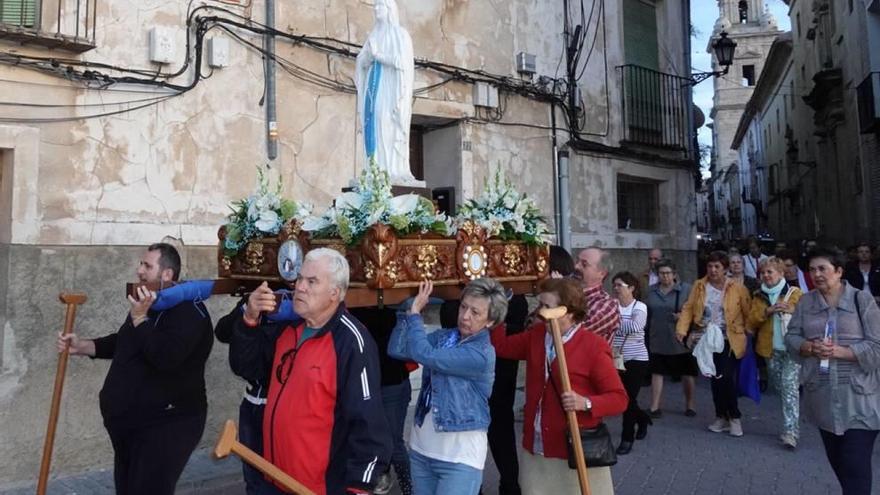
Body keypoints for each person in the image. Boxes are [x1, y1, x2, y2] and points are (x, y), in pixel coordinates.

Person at [230, 248, 392, 495]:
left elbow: (368, 425)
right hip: (272, 479)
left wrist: (358, 489)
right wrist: (250, 319)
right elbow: (246, 367)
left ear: (334, 293)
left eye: (311, 281)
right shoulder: (286, 329)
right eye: (300, 279)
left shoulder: (351, 342)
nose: (300, 287)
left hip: (319, 488)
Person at [56, 243, 213, 495]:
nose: (139, 270)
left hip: (166, 425)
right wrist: (83, 346)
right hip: (131, 426)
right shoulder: (151, 303)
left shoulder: (190, 313)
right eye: (141, 264)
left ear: (167, 275)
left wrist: (140, 319)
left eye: (147, 266)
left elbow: (166, 356)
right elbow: (125, 341)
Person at [490, 278, 627, 495]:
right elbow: (501, 347)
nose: (539, 312)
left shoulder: (593, 346)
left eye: (546, 306)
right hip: (536, 448)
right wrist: (496, 313)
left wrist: (586, 402)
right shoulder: (537, 336)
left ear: (569, 312)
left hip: (573, 450)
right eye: (540, 304)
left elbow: (619, 398)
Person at [389, 279, 505, 495]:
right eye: (463, 307)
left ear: (490, 321)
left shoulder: (481, 353)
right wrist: (404, 312)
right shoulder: (446, 336)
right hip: (421, 450)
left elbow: (426, 355)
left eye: (475, 312)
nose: (465, 316)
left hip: (459, 458)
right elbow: (398, 349)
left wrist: (415, 315)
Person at [786, 247, 880, 495]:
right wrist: (808, 347)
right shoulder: (806, 303)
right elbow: (791, 338)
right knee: (839, 464)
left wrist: (841, 352)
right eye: (812, 269)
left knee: (854, 465)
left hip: (860, 398)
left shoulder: (862, 300)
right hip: (823, 397)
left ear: (838, 272)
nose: (816, 274)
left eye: (822, 269)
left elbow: (877, 346)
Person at [676, 251, 751, 437]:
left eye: (717, 266)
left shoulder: (738, 288)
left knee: (725, 377)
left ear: (725, 269)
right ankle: (720, 416)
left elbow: (748, 312)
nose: (713, 270)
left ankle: (734, 417)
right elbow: (689, 307)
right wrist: (682, 329)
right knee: (714, 378)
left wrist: (751, 332)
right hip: (706, 338)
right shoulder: (699, 285)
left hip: (729, 339)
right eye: (710, 266)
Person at [348, 307, 413, 495]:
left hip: (391, 382)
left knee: (393, 444)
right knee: (366, 438)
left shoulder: (388, 305)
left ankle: (409, 487)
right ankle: (380, 475)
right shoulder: (351, 304)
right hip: (365, 382)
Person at [215, 298, 274, 495]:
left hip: (278, 403)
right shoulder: (256, 297)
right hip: (252, 400)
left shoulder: (298, 303)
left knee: (276, 479)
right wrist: (247, 310)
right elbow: (222, 331)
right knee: (253, 479)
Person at [354, 0, 417, 184]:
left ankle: (391, 168)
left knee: (386, 122)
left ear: (389, 10)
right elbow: (361, 62)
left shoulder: (400, 35)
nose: (376, 9)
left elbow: (403, 63)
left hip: (390, 90)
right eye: (374, 6)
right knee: (372, 124)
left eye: (380, 5)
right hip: (373, 88)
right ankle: (375, 168)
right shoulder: (373, 36)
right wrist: (366, 59)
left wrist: (379, 56)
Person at [747, 257, 803, 449]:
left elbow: (805, 317)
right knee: (780, 388)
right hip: (769, 349)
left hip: (792, 349)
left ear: (780, 273)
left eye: (770, 272)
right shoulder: (758, 295)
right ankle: (792, 417)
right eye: (763, 273)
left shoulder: (795, 293)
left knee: (789, 387)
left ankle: (791, 432)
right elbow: (751, 322)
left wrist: (791, 309)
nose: (766, 276)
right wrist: (768, 311)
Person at [645, 259, 697, 418]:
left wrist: (683, 317)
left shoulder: (686, 290)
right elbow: (646, 311)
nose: (665, 276)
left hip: (680, 339)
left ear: (674, 274)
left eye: (668, 273)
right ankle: (654, 406)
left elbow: (697, 311)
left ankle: (690, 404)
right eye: (661, 273)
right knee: (657, 372)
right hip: (657, 337)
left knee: (687, 373)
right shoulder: (651, 291)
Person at [610, 272, 651, 455]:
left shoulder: (639, 306)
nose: (616, 288)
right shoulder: (612, 306)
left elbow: (636, 326)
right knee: (623, 397)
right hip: (615, 358)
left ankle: (627, 438)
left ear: (631, 288)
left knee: (628, 398)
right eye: (615, 285)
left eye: (620, 285)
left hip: (636, 359)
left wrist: (612, 324)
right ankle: (642, 419)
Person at [574, 247, 620, 343]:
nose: (576, 266)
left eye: (584, 264)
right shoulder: (566, 293)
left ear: (602, 273)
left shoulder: (607, 305)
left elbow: (570, 334)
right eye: (576, 261)